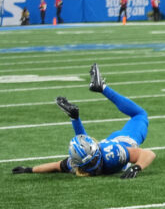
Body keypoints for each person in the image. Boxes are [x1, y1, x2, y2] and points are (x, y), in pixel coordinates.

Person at [11, 64, 155, 179]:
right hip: (123, 140)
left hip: (116, 141)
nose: (93, 166)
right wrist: (137, 167)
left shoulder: (79, 163)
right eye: (92, 162)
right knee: (140, 114)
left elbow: (56, 165)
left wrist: (30, 169)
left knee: (138, 115)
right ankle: (102, 88)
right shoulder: (111, 155)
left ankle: (75, 118)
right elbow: (148, 153)